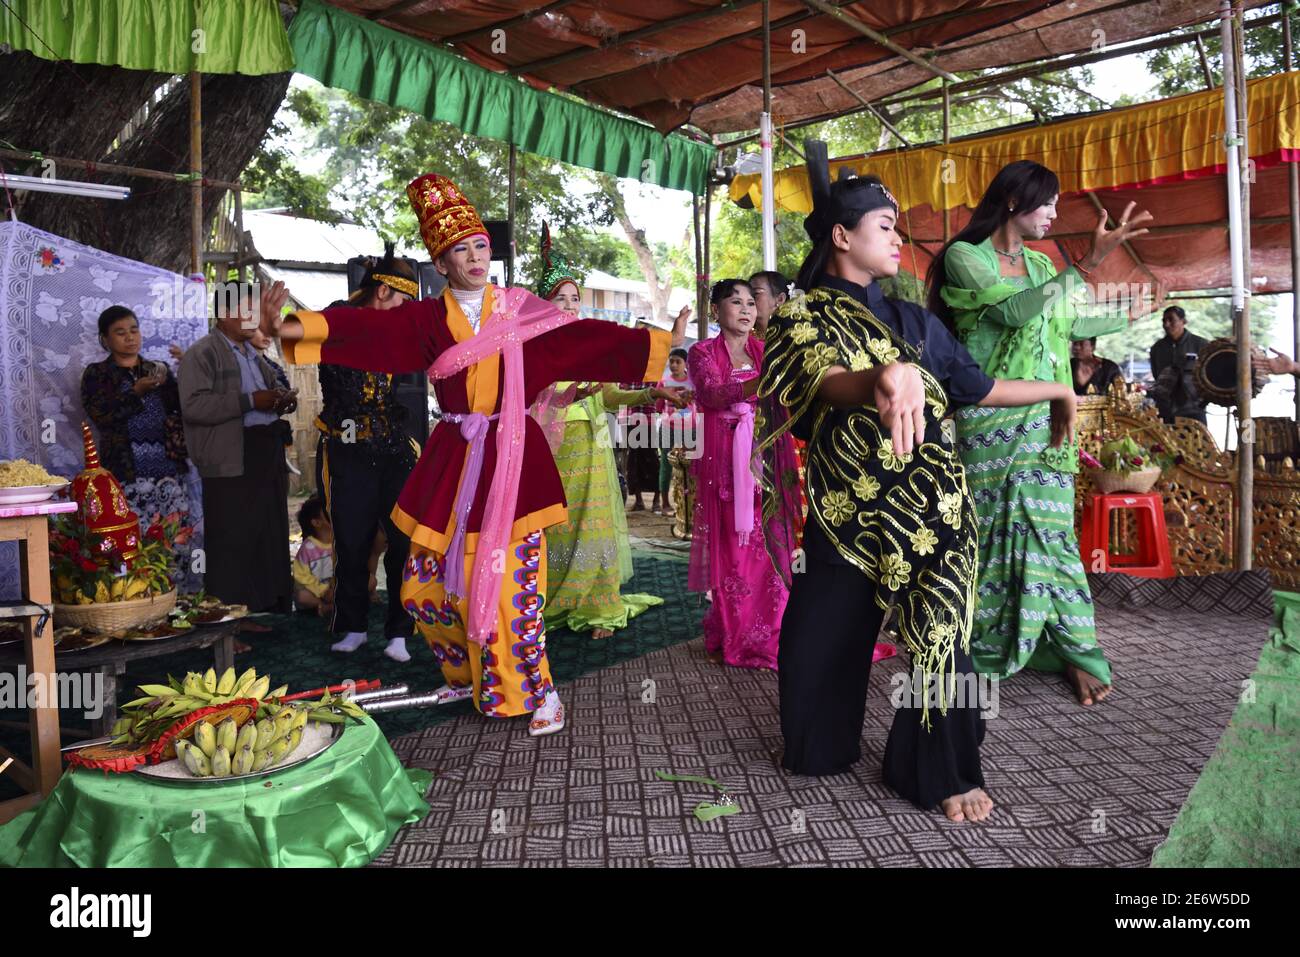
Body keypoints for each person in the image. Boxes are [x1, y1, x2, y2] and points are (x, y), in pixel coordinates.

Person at [261, 173, 673, 737]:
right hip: (455, 458)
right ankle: (466, 670)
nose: (476, 256)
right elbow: (366, 334)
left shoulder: (522, 311)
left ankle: (539, 690)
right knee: (424, 583)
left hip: (513, 461)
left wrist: (656, 351)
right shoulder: (428, 320)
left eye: (480, 245)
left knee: (511, 587)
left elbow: (583, 339)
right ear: (442, 262)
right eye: (461, 249)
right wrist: (289, 328)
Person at [756, 142, 1080, 822]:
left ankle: (935, 768)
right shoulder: (803, 315)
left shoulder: (912, 319)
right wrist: (880, 377)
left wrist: (1057, 387)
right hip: (847, 512)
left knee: (942, 635)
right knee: (816, 691)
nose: (898, 237)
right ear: (842, 237)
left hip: (930, 509)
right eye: (885, 225)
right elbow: (823, 383)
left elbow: (977, 385)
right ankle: (830, 736)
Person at [928, 160, 1153, 708]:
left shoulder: (1038, 262)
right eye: (1046, 203)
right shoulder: (965, 257)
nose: (1054, 213)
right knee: (995, 538)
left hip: (1048, 417)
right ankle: (986, 647)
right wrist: (1087, 262)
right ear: (1011, 201)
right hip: (993, 417)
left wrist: (1131, 311)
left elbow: (1065, 322)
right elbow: (1012, 314)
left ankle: (1074, 651)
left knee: (1051, 537)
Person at [535, 224, 685, 640]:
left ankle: (599, 604)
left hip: (591, 447)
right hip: (548, 450)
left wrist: (647, 395)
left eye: (574, 299)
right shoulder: (532, 346)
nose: (568, 305)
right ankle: (552, 597)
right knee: (556, 525)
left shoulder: (588, 344)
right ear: (542, 304)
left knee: (595, 523)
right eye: (559, 298)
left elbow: (605, 396)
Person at [312, 245, 421, 663]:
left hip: (393, 445)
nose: (407, 309)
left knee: (402, 540)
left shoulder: (401, 330)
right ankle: (353, 626)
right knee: (352, 539)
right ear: (382, 292)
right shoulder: (339, 320)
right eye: (403, 299)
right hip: (347, 446)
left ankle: (399, 632)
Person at [688, 278, 794, 670]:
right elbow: (713, 394)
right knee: (731, 545)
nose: (747, 309)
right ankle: (737, 631)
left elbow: (781, 398)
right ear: (716, 310)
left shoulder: (764, 351)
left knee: (765, 544)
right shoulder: (701, 352)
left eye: (752, 302)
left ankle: (770, 627)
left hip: (762, 455)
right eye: (736, 302)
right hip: (722, 460)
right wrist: (763, 383)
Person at [179, 286, 297, 620]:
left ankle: (262, 609)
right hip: (230, 459)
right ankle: (228, 622)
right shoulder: (203, 353)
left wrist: (280, 399)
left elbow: (267, 395)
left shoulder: (254, 355)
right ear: (224, 314)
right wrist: (249, 401)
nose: (253, 318)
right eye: (246, 310)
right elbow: (193, 406)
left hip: (264, 452)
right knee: (231, 539)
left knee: (267, 532)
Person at [81, 305, 191, 521]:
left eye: (134, 330)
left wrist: (189, 370)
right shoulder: (97, 373)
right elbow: (101, 415)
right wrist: (135, 393)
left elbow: (184, 407)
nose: (130, 337)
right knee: (132, 538)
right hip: (126, 473)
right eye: (120, 333)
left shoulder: (159, 369)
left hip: (168, 470)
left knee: (173, 538)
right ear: (105, 339)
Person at [1149, 305, 1210, 424]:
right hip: (1165, 410)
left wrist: (1202, 401)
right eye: (1164, 320)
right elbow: (1157, 376)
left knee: (1197, 442)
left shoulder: (1201, 345)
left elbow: (1209, 378)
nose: (1166, 324)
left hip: (1194, 410)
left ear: (1184, 321)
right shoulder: (1157, 349)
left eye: (1171, 319)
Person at [656, 347, 694, 519]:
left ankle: (690, 503)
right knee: (666, 465)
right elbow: (658, 407)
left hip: (690, 430)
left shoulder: (694, 382)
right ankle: (665, 503)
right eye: (671, 361)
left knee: (692, 467)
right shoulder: (662, 382)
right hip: (668, 429)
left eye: (677, 361)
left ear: (685, 363)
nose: (673, 365)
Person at [293, 496, 335, 617]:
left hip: (334, 590)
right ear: (316, 523)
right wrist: (323, 591)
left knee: (369, 581)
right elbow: (302, 577)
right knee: (302, 596)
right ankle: (324, 607)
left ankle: (333, 605)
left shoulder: (340, 542)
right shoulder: (308, 548)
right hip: (315, 592)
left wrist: (334, 588)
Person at [749, 269, 791, 340]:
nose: (748, 299)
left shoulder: (790, 336)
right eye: (747, 293)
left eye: (755, 293)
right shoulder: (741, 337)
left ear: (780, 299)